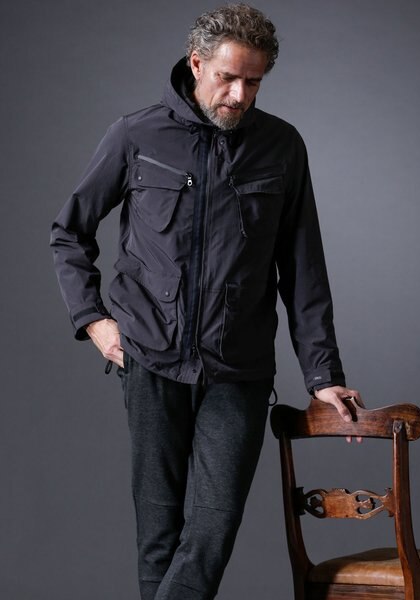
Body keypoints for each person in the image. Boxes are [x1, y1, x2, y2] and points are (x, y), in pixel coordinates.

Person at [50, 4, 362, 599]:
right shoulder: (136, 135)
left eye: (254, 82)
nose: (240, 95)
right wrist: (93, 321)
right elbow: (69, 232)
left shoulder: (281, 146)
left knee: (211, 529)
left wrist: (323, 376)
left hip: (237, 369)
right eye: (229, 77)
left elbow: (303, 268)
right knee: (159, 535)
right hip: (150, 360)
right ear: (197, 64)